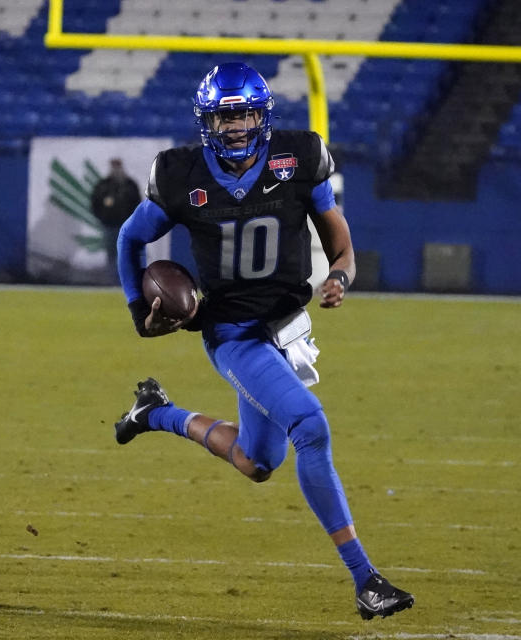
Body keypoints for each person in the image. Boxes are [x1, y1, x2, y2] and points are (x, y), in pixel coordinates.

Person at [113, 62, 414, 620]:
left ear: (263, 114)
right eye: (225, 117)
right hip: (233, 333)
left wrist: (340, 278)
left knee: (257, 462)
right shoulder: (181, 174)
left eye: (245, 114)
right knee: (311, 426)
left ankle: (154, 413)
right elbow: (131, 237)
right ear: (207, 122)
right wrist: (139, 311)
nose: (236, 127)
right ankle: (365, 579)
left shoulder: (299, 157)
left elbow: (342, 244)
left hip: (287, 328)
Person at [91, 158, 140, 283]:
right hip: (109, 226)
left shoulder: (130, 185)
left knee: (125, 254)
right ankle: (112, 280)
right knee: (111, 254)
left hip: (126, 227)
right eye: (113, 167)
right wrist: (103, 218)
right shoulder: (103, 185)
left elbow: (137, 205)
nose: (116, 169)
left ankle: (125, 280)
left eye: (118, 166)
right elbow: (94, 203)